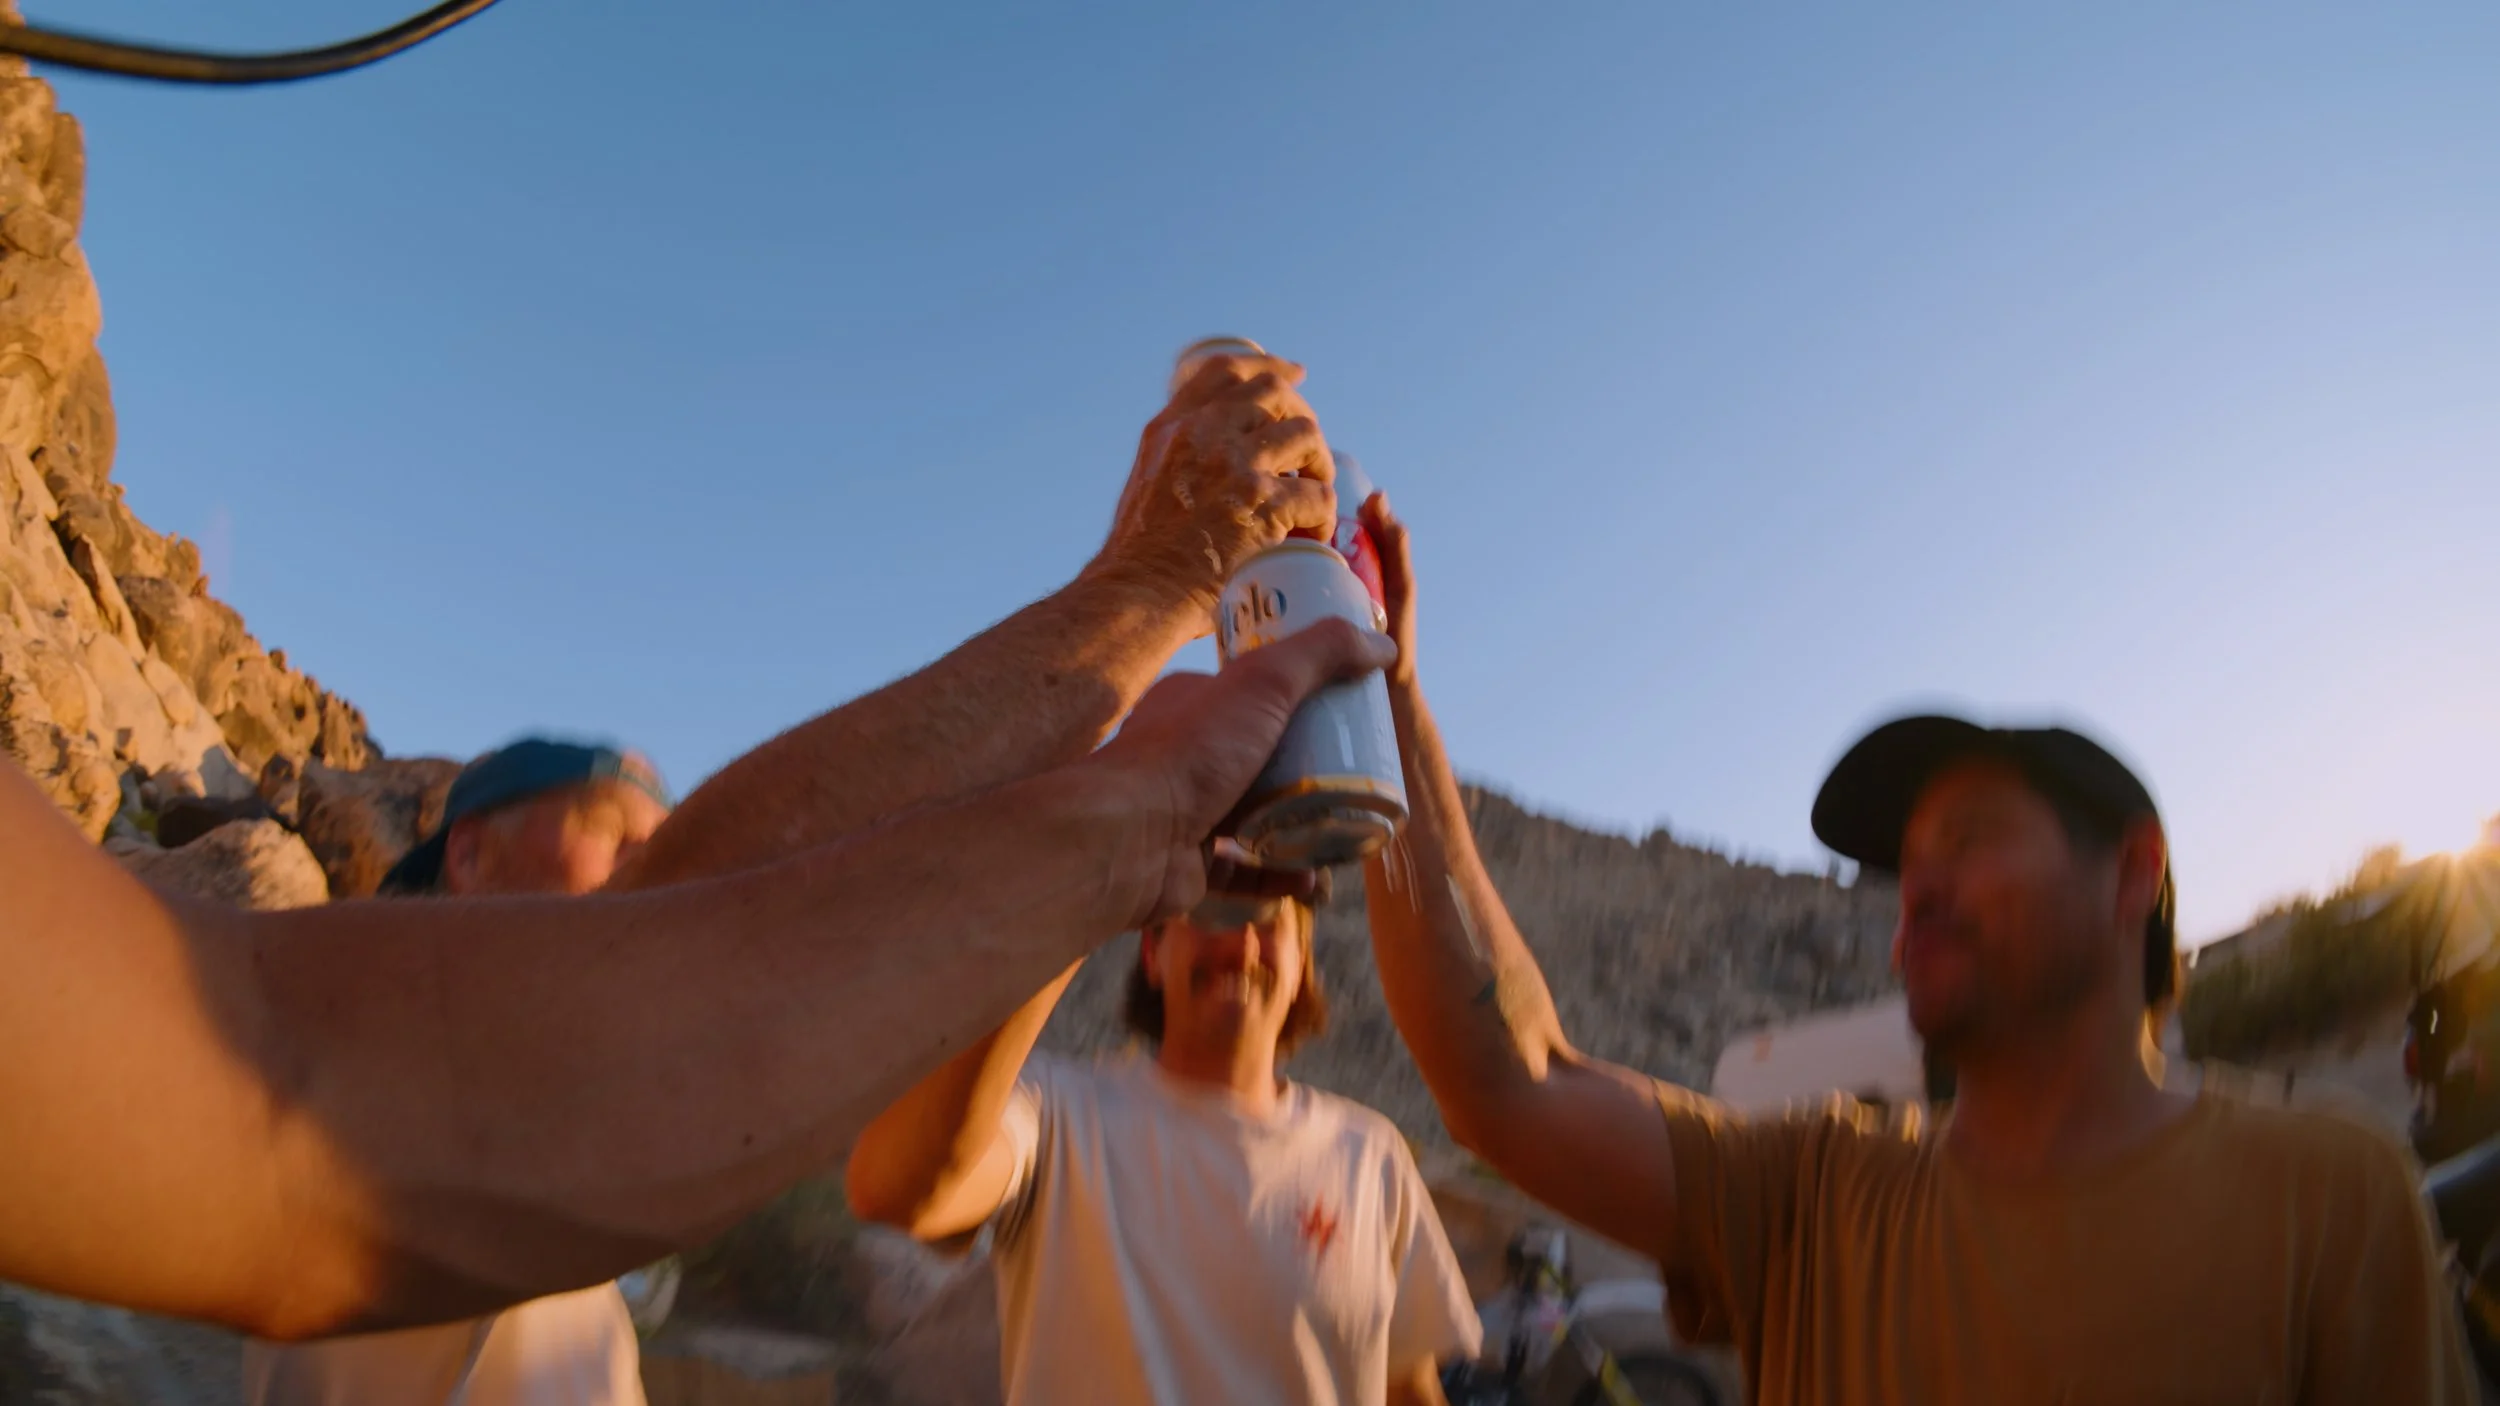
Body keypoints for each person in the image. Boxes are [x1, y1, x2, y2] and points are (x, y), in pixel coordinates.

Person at [0, 352, 1391, 1342]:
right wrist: (1147, 602)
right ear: (467, 860)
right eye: (612, 844)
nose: (668, 876)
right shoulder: (426, 1096)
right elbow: (679, 953)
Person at [1350, 495, 2473, 1404]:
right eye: (1909, 862)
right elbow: (1507, 1076)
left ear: (2133, 872)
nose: (1919, 886)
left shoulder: (2326, 1193)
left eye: (1971, 839)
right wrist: (1385, 693)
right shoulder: (1815, 1199)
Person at [846, 864, 1481, 1406]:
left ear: (1301, 962)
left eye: (1267, 921)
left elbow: (1407, 1388)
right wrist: (1091, 884)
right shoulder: (1056, 1113)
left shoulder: (1371, 1155)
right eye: (1210, 911)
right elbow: (898, 1188)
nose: (1239, 945)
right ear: (1153, 953)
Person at [243, 738, 674, 1406]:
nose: (647, 865)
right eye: (610, 827)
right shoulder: (349, 1069)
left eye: (660, 845)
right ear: (470, 856)